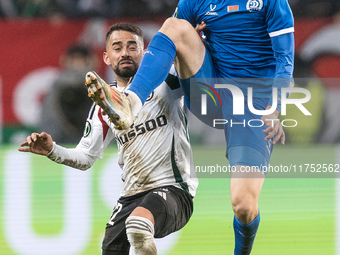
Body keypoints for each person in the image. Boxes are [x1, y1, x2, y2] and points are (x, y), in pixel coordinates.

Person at [101, 1, 295, 254]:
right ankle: (130, 101)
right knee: (175, 26)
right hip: (210, 92)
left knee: (244, 204)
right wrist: (192, 35)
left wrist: (275, 106)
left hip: (251, 105)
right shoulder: (194, 1)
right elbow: (173, 37)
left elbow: (285, 58)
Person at [19, 22, 198, 255]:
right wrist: (53, 149)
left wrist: (196, 41)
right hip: (131, 197)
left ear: (145, 53)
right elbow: (85, 157)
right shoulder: (104, 104)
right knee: (111, 248)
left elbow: (200, 74)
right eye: (117, 47)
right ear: (106, 57)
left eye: (132, 47)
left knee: (138, 225)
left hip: (174, 190)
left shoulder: (168, 80)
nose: (125, 52)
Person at [39, 44, 96, 144]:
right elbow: (49, 123)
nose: (78, 64)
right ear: (65, 61)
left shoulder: (102, 87)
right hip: (63, 144)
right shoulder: (57, 88)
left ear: (91, 61)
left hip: (94, 146)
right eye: (74, 60)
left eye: (82, 60)